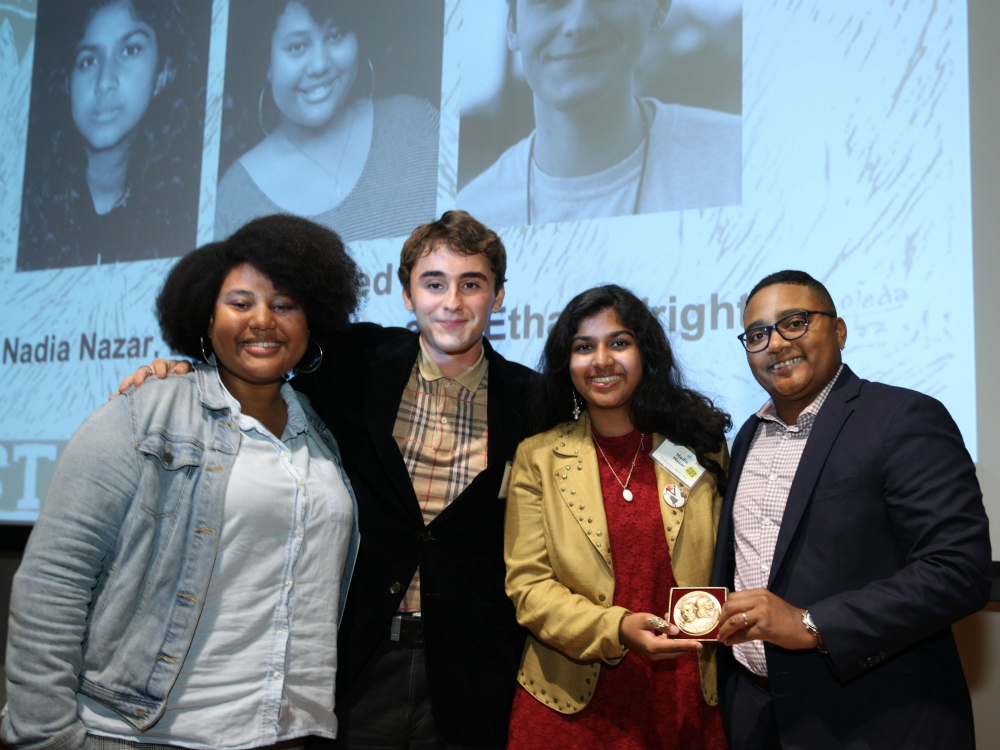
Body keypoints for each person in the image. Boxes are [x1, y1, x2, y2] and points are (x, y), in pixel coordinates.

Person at [120, 211, 535, 748]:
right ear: (408, 295)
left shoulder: (533, 401)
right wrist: (186, 372)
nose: (451, 302)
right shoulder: (352, 360)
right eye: (434, 283)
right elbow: (259, 367)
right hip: (353, 663)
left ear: (497, 297)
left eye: (471, 285)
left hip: (473, 675)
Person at [2, 215, 363, 749]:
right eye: (240, 303)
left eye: (284, 304)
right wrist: (46, 735)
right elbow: (53, 584)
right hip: (147, 735)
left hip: (283, 733)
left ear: (313, 321)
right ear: (204, 316)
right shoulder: (144, 415)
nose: (263, 320)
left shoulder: (322, 436)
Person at [711, 270, 992, 749]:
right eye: (758, 334)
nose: (775, 344)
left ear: (838, 331)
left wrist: (810, 624)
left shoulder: (903, 418)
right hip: (759, 718)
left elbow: (958, 572)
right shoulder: (748, 436)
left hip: (874, 720)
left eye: (794, 323)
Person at [503, 284, 731, 749]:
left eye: (619, 342)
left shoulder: (700, 447)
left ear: (645, 353)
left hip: (685, 695)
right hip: (568, 708)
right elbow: (528, 588)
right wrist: (617, 628)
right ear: (567, 364)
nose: (602, 360)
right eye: (584, 347)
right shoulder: (538, 456)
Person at [457, 0, 741, 228]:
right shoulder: (471, 222)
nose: (579, 23)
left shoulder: (743, 159)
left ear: (660, 7)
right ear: (513, 26)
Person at [214, 0, 440, 243]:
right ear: (266, 62)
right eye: (297, 46)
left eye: (335, 35)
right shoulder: (236, 196)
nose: (320, 65)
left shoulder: (418, 123)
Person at [17, 0, 206, 270]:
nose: (104, 81)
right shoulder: (22, 207)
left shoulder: (187, 203)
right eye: (89, 60)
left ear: (163, 73)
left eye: (129, 51)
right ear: (67, 82)